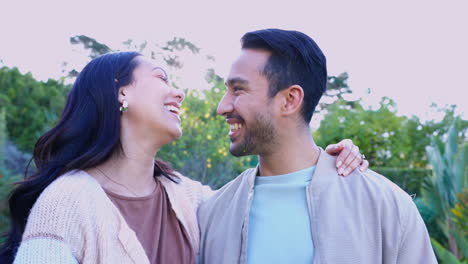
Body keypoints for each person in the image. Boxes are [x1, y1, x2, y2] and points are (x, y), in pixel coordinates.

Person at [0, 52, 366, 264]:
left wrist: (325, 163)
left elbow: (275, 204)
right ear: (120, 92)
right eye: (161, 78)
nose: (179, 92)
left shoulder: (193, 200)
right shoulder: (65, 203)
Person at [197, 29, 437, 264]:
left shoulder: (386, 207)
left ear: (290, 100)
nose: (222, 107)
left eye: (238, 89)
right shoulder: (213, 212)